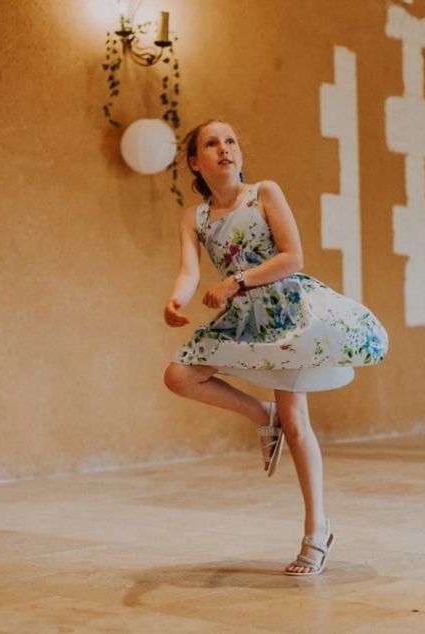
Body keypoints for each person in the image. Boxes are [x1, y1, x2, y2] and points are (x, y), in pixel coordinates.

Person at [163, 119, 388, 576]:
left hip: (286, 313)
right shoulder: (195, 217)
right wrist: (176, 298)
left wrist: (235, 281)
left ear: (239, 155)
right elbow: (188, 270)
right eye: (212, 143)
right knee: (179, 375)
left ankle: (317, 529)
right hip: (243, 319)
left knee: (298, 420)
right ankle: (262, 416)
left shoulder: (264, 192)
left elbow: (293, 257)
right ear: (195, 162)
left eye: (230, 141)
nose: (224, 149)